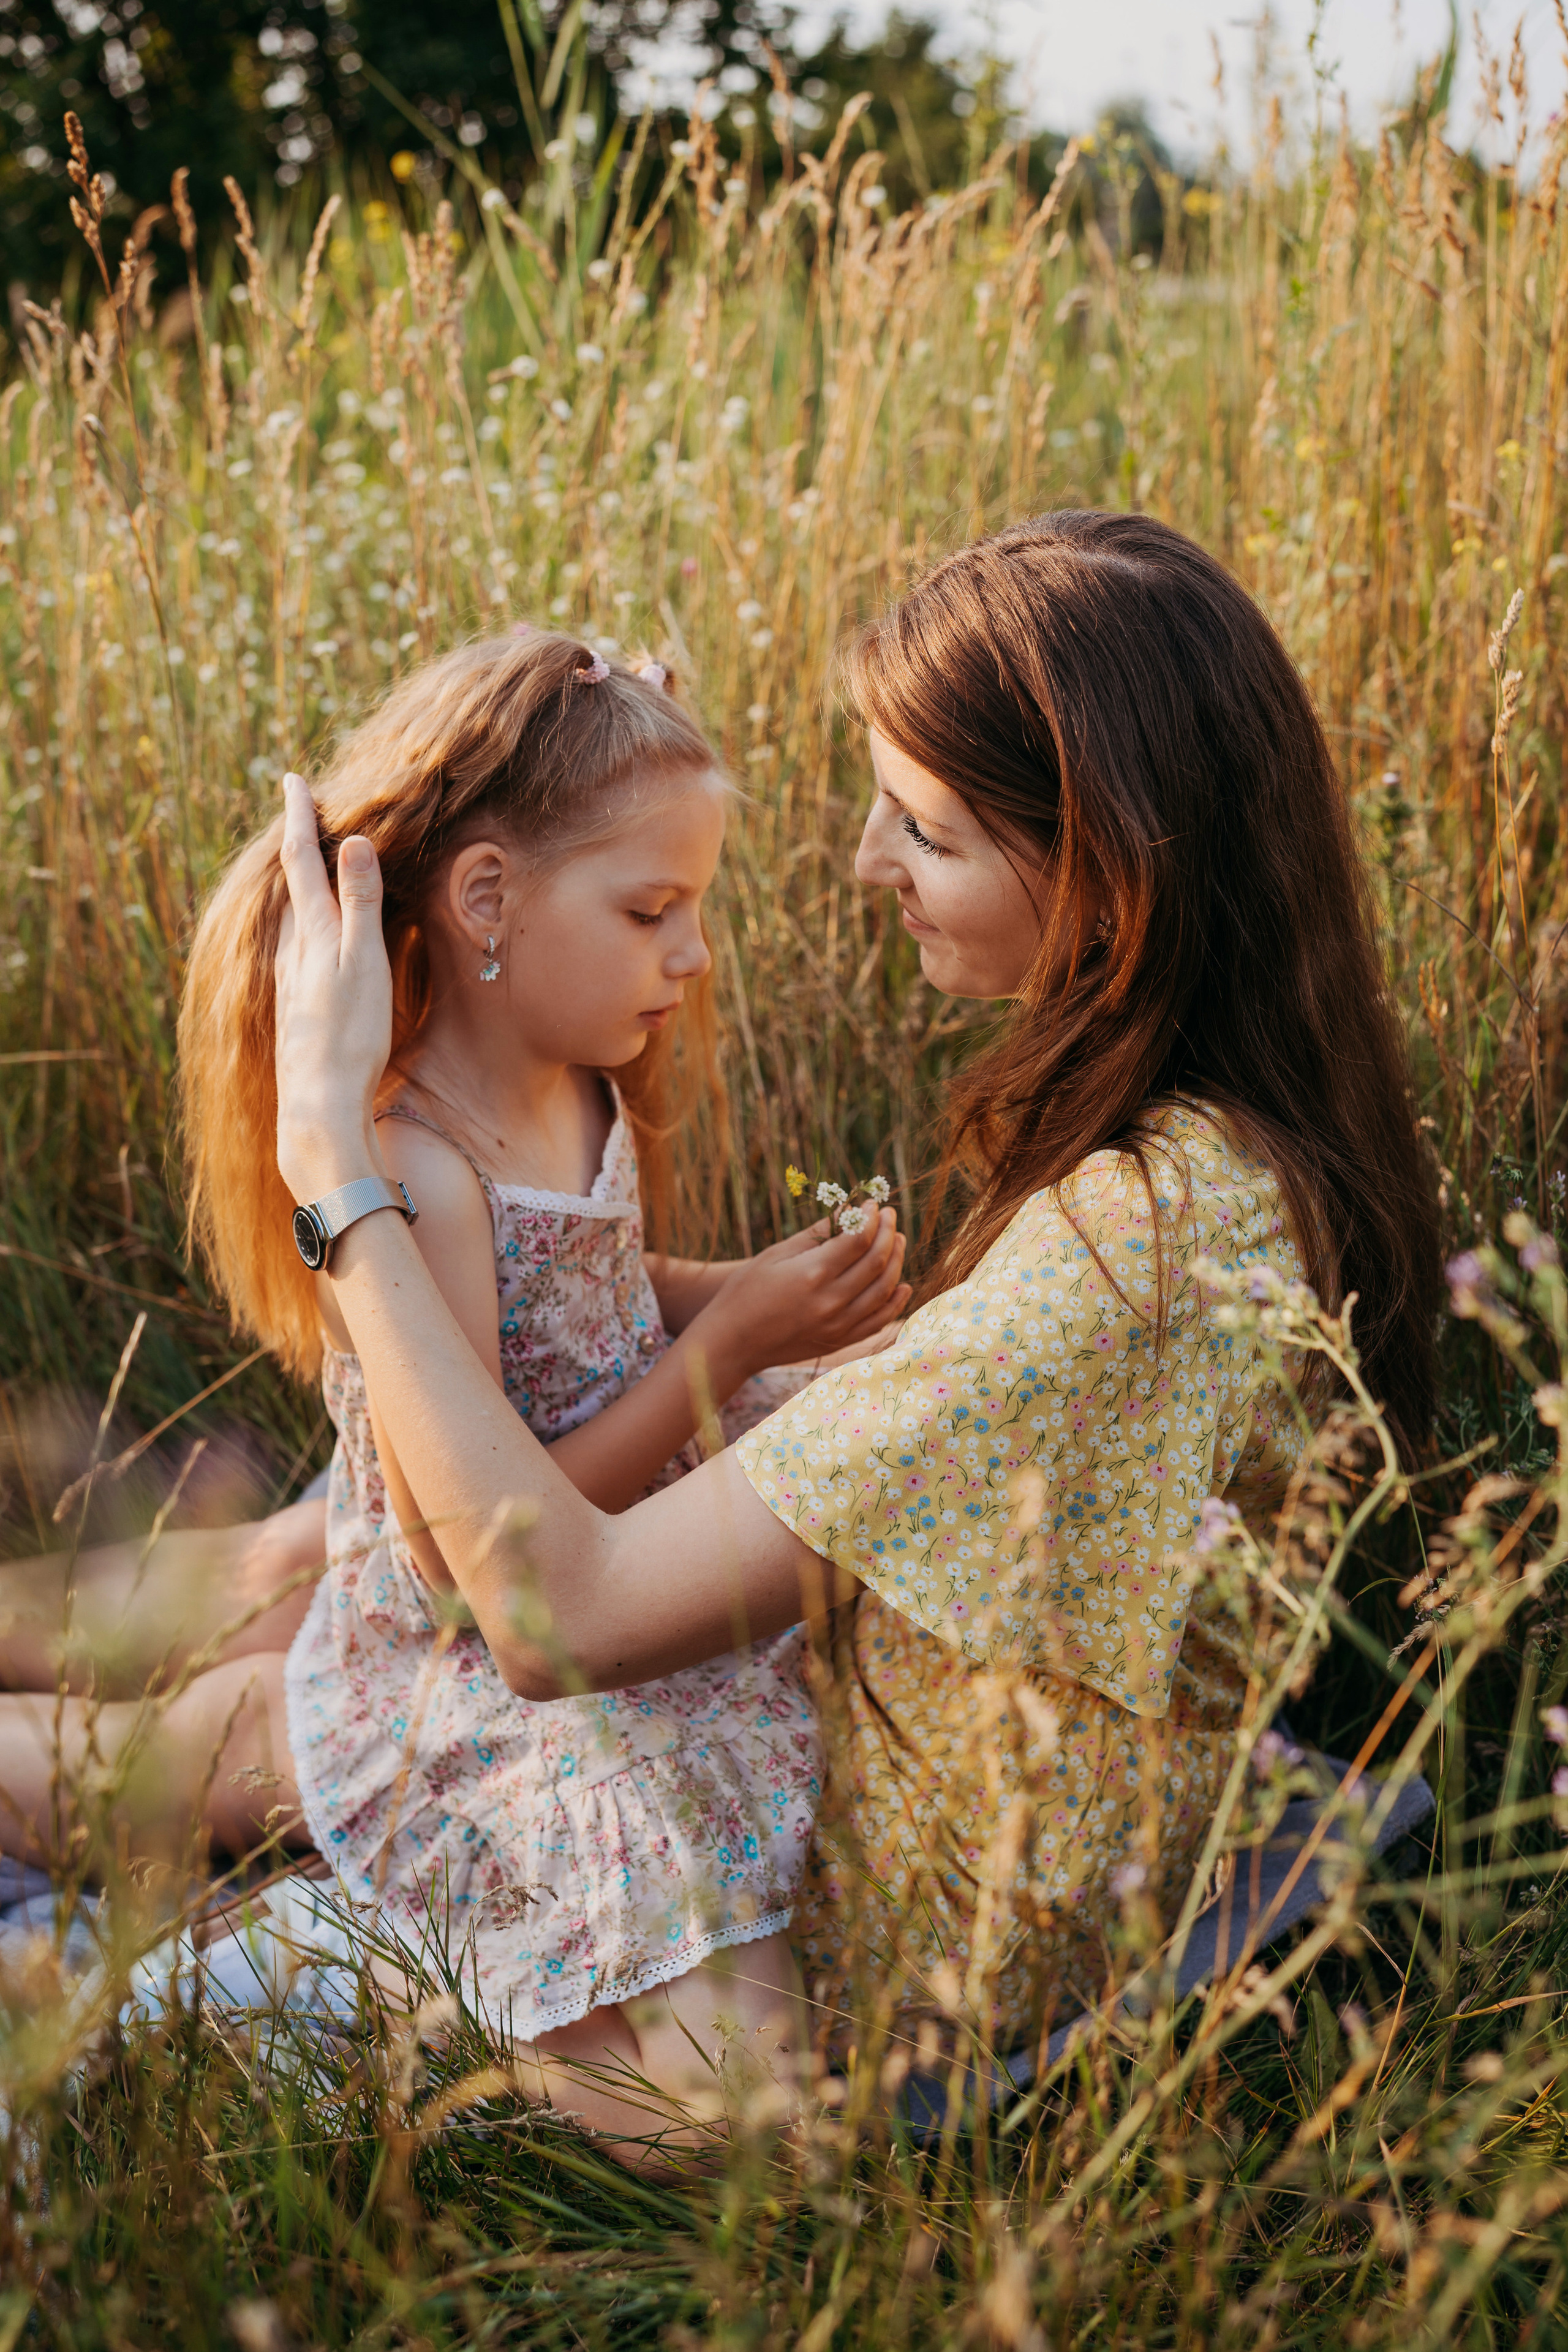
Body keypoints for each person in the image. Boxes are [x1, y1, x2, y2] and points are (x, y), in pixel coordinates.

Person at [0, 630, 911, 2166]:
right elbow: (458, 1567)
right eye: (650, 910)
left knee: (189, 1727)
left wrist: (746, 1296)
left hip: (560, 1560)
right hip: (446, 1650)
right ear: (487, 903)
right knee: (124, 1772)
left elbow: (600, 1294)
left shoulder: (576, 1076)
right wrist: (731, 1343)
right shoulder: (415, 1166)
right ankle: (359, 2007)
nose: (689, 955)